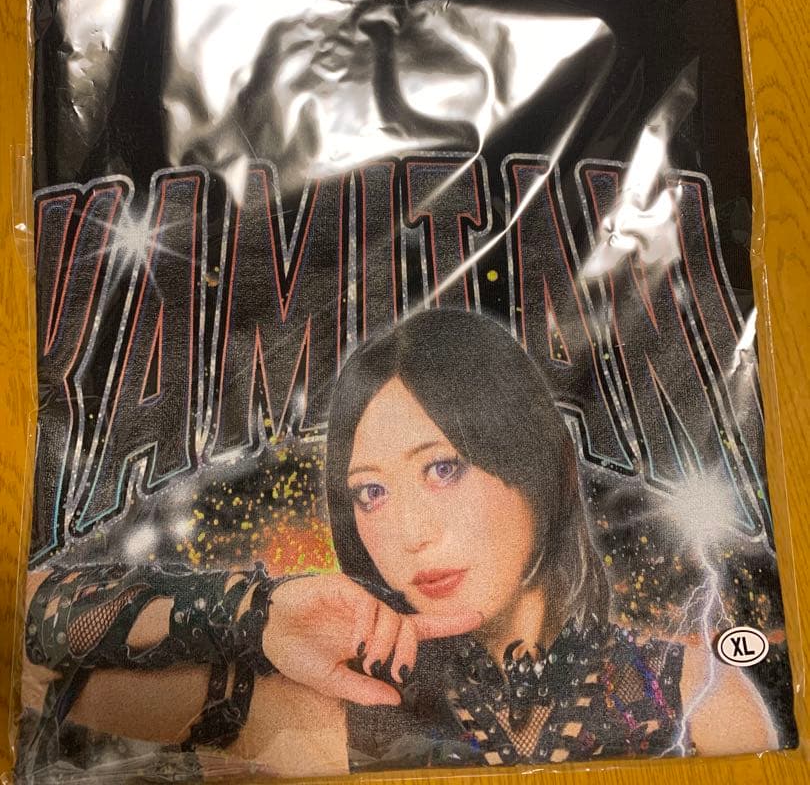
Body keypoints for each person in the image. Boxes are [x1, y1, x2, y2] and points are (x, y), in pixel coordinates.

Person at [21, 309, 776, 775]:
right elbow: (20, 639)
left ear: (537, 465)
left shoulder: (695, 696)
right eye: (371, 493)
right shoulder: (333, 701)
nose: (410, 535)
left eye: (442, 468)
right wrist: (256, 611)